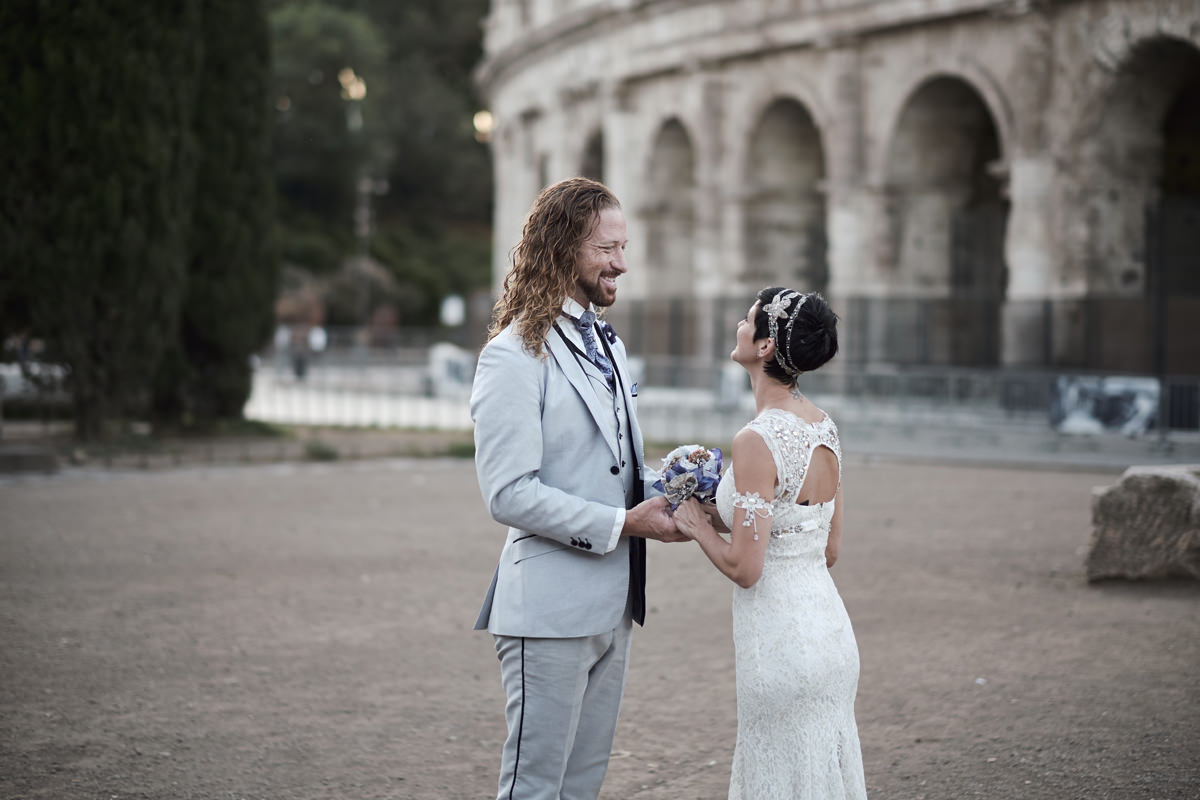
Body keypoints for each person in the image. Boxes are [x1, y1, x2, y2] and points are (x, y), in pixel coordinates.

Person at [470, 177, 684, 800]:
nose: (622, 263)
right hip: (547, 610)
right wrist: (623, 525)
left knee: (581, 789)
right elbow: (507, 493)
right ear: (563, 248)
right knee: (533, 790)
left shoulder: (606, 343)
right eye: (606, 249)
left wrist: (692, 491)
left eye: (624, 246)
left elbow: (618, 467)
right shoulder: (512, 354)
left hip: (614, 606)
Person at [673, 286, 868, 799]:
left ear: (764, 347)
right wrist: (721, 512)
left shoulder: (757, 439)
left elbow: (746, 567)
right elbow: (826, 547)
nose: (739, 324)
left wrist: (695, 526)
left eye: (747, 318)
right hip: (830, 632)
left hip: (781, 642)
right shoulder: (824, 427)